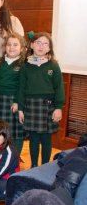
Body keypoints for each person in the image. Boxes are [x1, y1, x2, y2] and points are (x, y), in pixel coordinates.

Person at [17, 32, 64, 167]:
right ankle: (33, 166)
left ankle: (44, 166)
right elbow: (21, 89)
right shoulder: (25, 66)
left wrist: (58, 108)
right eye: (38, 42)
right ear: (31, 45)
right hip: (30, 106)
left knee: (46, 139)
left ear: (49, 48)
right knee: (33, 139)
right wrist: (20, 109)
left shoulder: (53, 65)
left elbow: (59, 87)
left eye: (45, 44)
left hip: (48, 106)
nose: (41, 46)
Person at [0, 33, 26, 155]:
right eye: (9, 44)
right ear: (5, 47)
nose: (12, 47)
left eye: (15, 45)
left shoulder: (23, 64)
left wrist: (17, 102)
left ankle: (15, 157)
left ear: (22, 48)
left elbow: (22, 86)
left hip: (14, 101)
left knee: (15, 131)